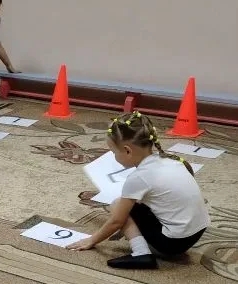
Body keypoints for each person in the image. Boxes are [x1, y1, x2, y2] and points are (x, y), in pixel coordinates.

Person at [68, 112, 210, 269]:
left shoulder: (138, 177)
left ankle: (141, 253)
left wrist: (91, 240)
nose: (114, 156)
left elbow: (117, 221)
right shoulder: (171, 160)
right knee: (138, 203)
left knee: (116, 204)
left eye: (114, 152)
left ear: (127, 150)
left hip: (173, 243)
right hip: (197, 232)